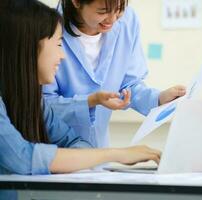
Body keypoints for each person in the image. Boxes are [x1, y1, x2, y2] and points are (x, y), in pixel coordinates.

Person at [0, 0, 161, 176]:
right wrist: (116, 153)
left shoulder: (34, 101)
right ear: (27, 48)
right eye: (58, 44)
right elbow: (23, 158)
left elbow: (73, 141)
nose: (62, 56)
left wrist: (158, 99)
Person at [43, 0, 187, 147]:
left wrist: (158, 99)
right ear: (77, 2)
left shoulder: (127, 21)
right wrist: (90, 101)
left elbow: (129, 84)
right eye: (102, 11)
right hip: (55, 150)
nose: (112, 20)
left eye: (119, 9)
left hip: (100, 152)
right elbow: (42, 105)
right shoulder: (47, 28)